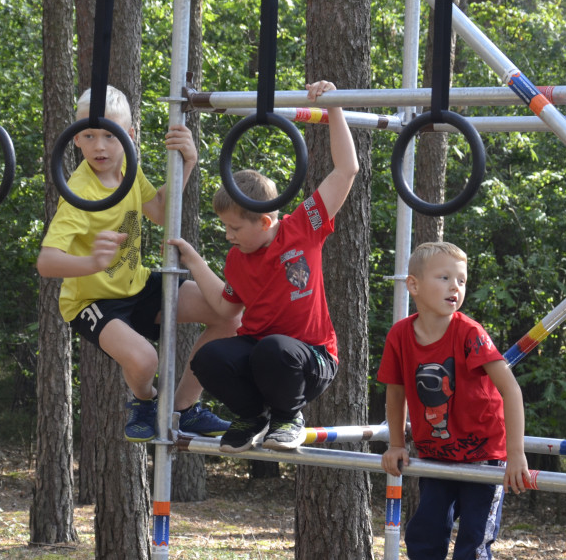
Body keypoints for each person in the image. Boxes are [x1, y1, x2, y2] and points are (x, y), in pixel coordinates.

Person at [36, 85, 238, 442]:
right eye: (89, 135)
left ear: (129, 136)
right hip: (92, 302)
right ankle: (145, 402)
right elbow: (47, 262)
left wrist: (188, 162)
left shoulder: (128, 168)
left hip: (137, 284)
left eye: (110, 136)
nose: (100, 146)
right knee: (145, 361)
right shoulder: (81, 193)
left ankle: (184, 408)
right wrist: (92, 261)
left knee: (229, 312)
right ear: (76, 140)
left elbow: (159, 211)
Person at [169, 80, 358, 453]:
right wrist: (193, 260)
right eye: (225, 227)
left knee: (274, 349)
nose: (228, 236)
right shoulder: (237, 259)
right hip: (261, 357)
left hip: (310, 358)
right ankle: (253, 416)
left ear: (266, 222)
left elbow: (347, 169)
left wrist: (334, 106)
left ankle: (289, 416)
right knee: (207, 358)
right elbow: (225, 309)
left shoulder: (302, 228)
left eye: (234, 228)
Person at [377, 241, 531, 560]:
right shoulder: (400, 336)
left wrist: (516, 454)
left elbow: (511, 389)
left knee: (473, 545)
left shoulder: (468, 333)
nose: (455, 287)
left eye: (461, 280)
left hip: (484, 455)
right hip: (438, 455)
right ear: (414, 285)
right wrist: (396, 443)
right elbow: (395, 390)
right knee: (425, 535)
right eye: (444, 278)